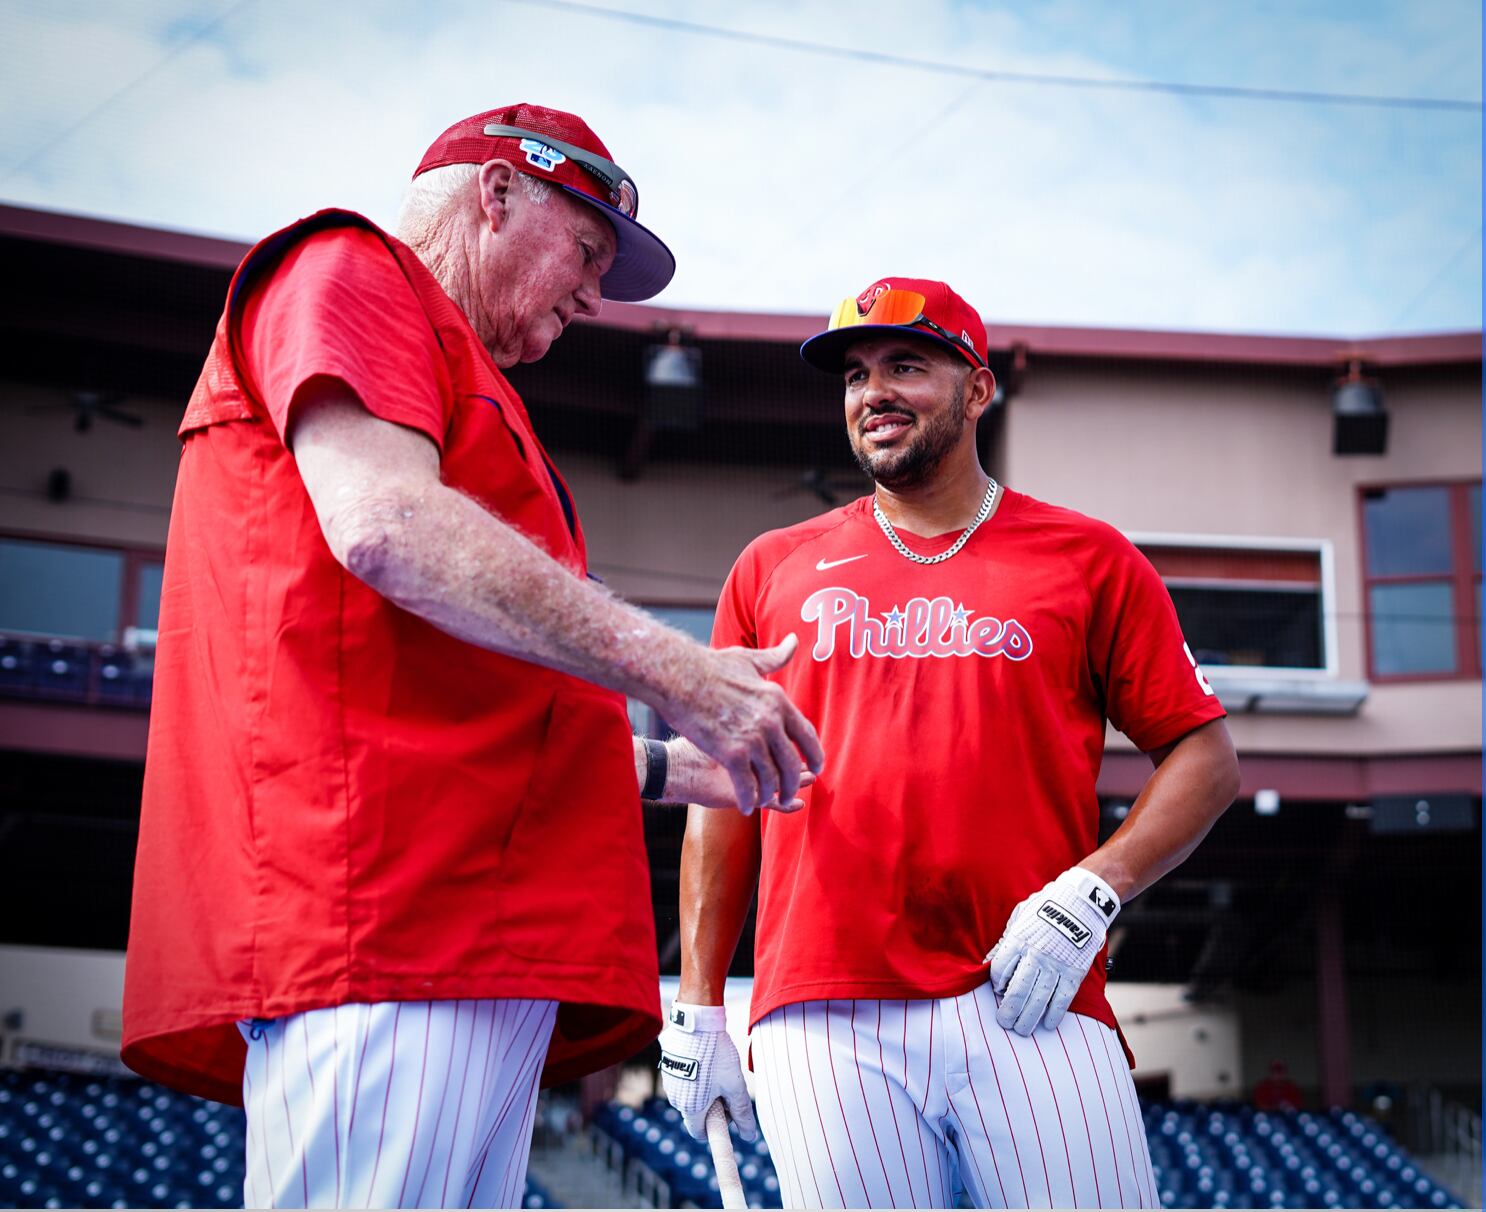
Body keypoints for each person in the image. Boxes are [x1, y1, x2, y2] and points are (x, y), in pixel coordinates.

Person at [120, 103, 822, 1209]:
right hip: (385, 921)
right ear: (494, 195)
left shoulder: (458, 363)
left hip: (466, 929)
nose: (596, 295)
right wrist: (683, 674)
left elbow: (456, 683)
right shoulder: (351, 267)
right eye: (588, 252)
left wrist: (659, 767)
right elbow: (384, 529)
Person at [660, 277, 1241, 1208]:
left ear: (977, 388)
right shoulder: (771, 566)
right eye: (854, 375)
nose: (872, 392)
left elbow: (1205, 756)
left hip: (1032, 991)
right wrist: (696, 1009)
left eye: (905, 365)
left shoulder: (1088, 557)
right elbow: (725, 791)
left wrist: (1094, 892)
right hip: (823, 1008)